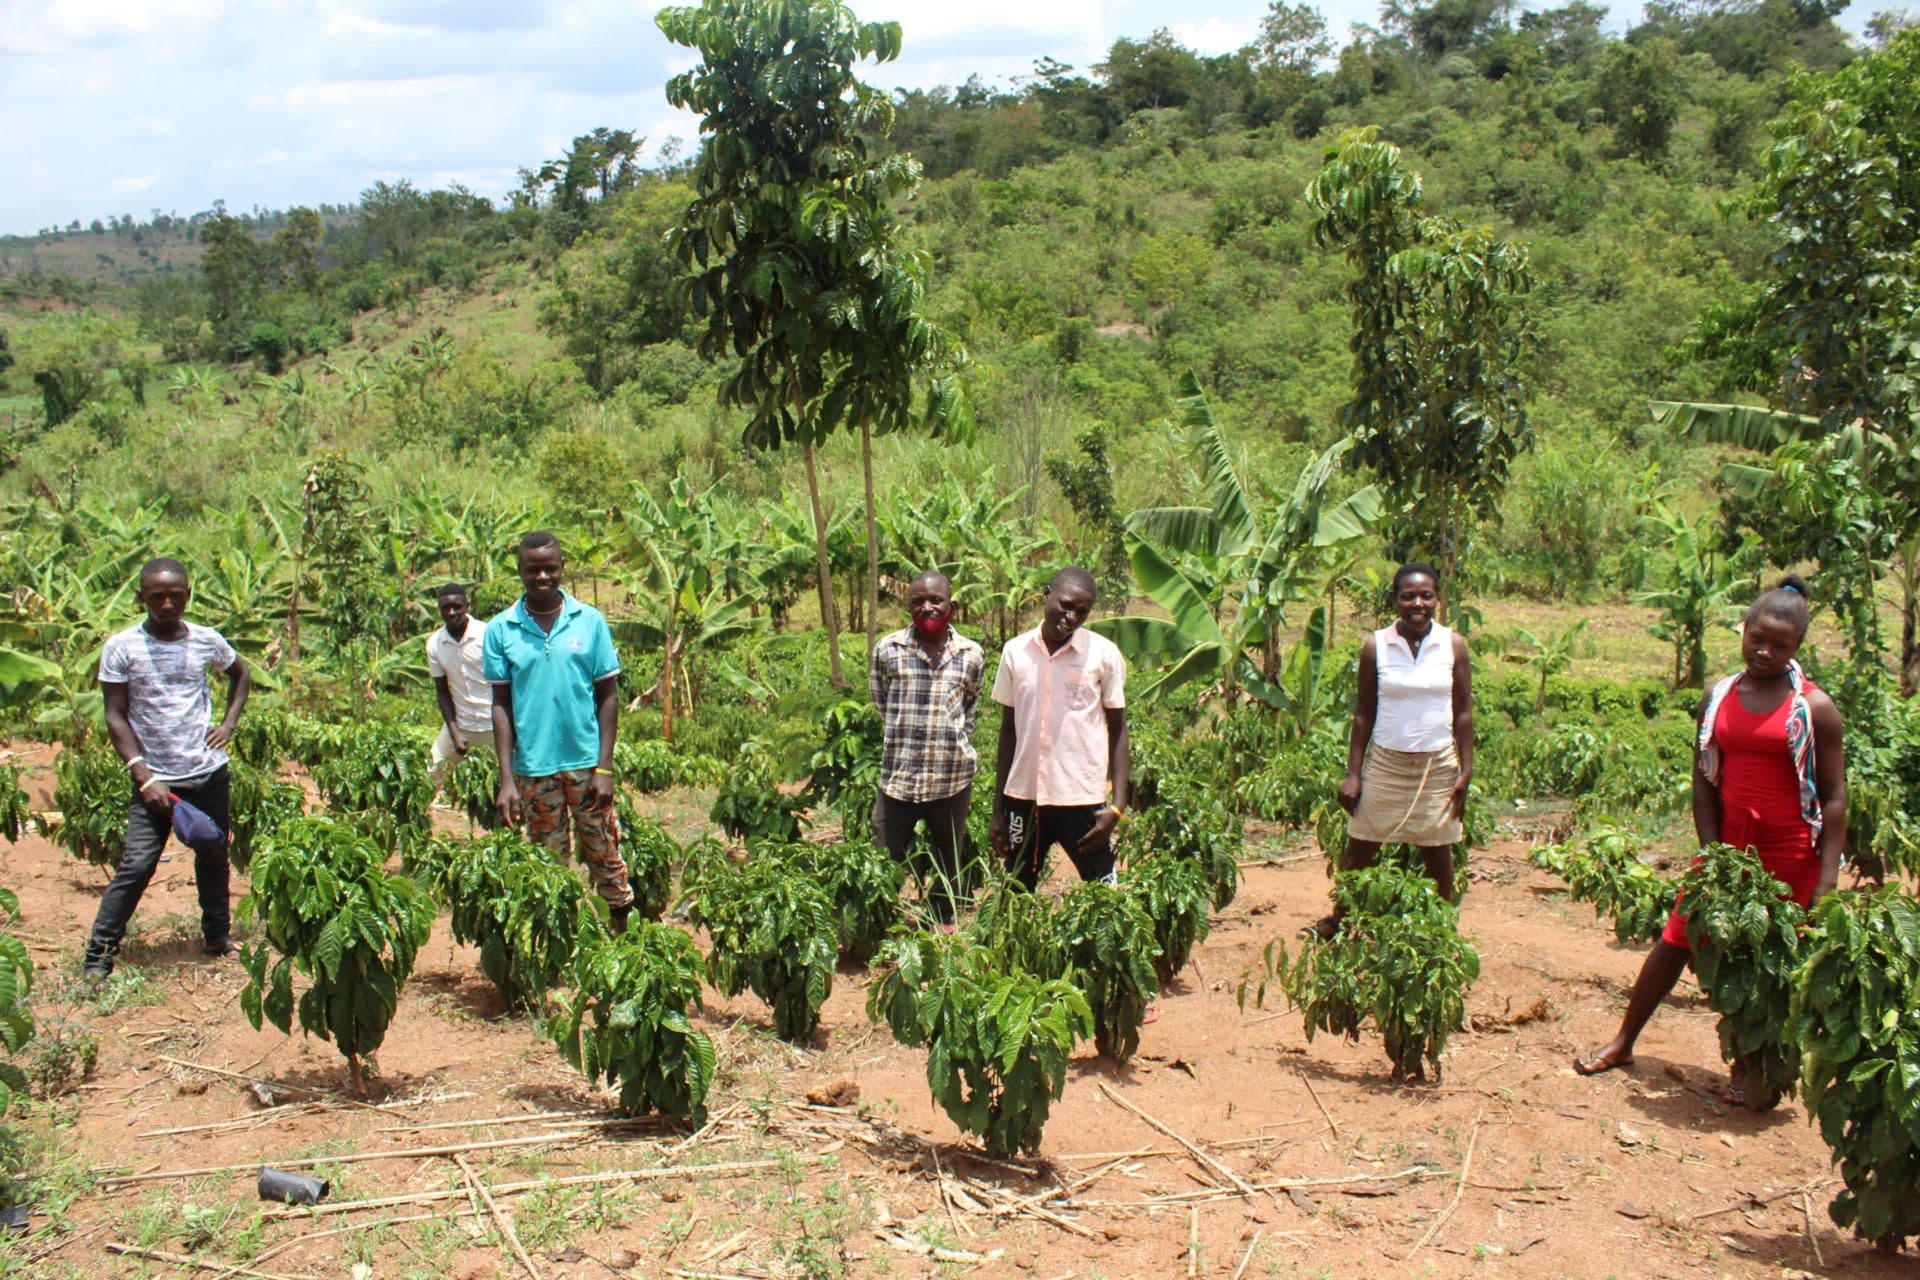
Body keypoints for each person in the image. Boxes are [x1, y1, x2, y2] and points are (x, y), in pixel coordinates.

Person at [1576, 575, 1846, 1099]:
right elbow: (1703, 778)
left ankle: (1757, 1070)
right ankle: (1624, 1040)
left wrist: (1828, 878)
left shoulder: (1814, 709)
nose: (1765, 651)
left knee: (1774, 960)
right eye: (1757, 639)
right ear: (1743, 631)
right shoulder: (1719, 696)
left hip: (1790, 852)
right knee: (1676, 938)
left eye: (1780, 645)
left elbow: (1834, 799)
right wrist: (1712, 850)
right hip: (1728, 849)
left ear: (1798, 648)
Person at [84, 557, 252, 977]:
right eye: (157, 596)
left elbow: (241, 673)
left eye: (175, 595)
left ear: (187, 596)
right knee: (138, 865)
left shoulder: (206, 640)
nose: (166, 604)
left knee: (213, 852)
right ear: (141, 597)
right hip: (155, 779)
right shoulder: (122, 647)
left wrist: (228, 724)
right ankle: (98, 957)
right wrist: (143, 774)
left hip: (207, 771)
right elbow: (115, 716)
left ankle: (217, 937)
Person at [1304, 563, 1474, 938]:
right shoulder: (1377, 646)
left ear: (1437, 600)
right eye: (1408, 595)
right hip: (1386, 763)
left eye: (1426, 595)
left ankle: (1441, 932)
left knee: (1437, 852)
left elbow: (1462, 712)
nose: (1418, 603)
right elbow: (1363, 715)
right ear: (1395, 600)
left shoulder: (1452, 645)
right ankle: (1340, 919)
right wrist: (1354, 773)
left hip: (1437, 765)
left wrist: (1465, 770)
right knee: (1360, 847)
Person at [483, 531, 636, 931]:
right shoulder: (501, 629)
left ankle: (621, 945)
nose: (542, 577)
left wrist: (604, 768)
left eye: (550, 568)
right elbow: (500, 704)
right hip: (534, 769)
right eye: (533, 569)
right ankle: (562, 949)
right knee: (550, 868)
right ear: (520, 571)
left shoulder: (590, 622)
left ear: (562, 567)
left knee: (606, 855)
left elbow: (608, 696)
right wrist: (506, 779)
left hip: (585, 766)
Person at [989, 567, 1130, 891]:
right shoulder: (1015, 652)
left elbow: (1119, 729)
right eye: (1065, 605)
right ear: (1046, 595)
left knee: (1102, 892)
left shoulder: (1103, 655)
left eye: (1082, 611)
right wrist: (999, 809)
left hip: (1080, 797)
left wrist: (1117, 806)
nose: (1071, 617)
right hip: (1024, 797)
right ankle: (1020, 945)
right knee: (1016, 892)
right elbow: (1007, 731)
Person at [870, 571, 986, 928]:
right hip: (899, 777)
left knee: (949, 856)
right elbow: (881, 701)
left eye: (935, 600)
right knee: (884, 854)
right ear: (908, 607)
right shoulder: (888, 650)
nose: (927, 607)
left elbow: (969, 710)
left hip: (951, 777)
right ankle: (881, 918)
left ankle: (941, 914)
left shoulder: (971, 654)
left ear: (951, 605)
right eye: (917, 601)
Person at [426, 583, 493, 805]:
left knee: (509, 779)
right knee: (433, 769)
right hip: (462, 723)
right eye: (446, 608)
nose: (452, 612)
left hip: (496, 723)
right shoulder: (435, 644)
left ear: (467, 605)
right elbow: (442, 692)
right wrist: (455, 733)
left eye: (457, 606)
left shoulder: (488, 635)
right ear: (439, 609)